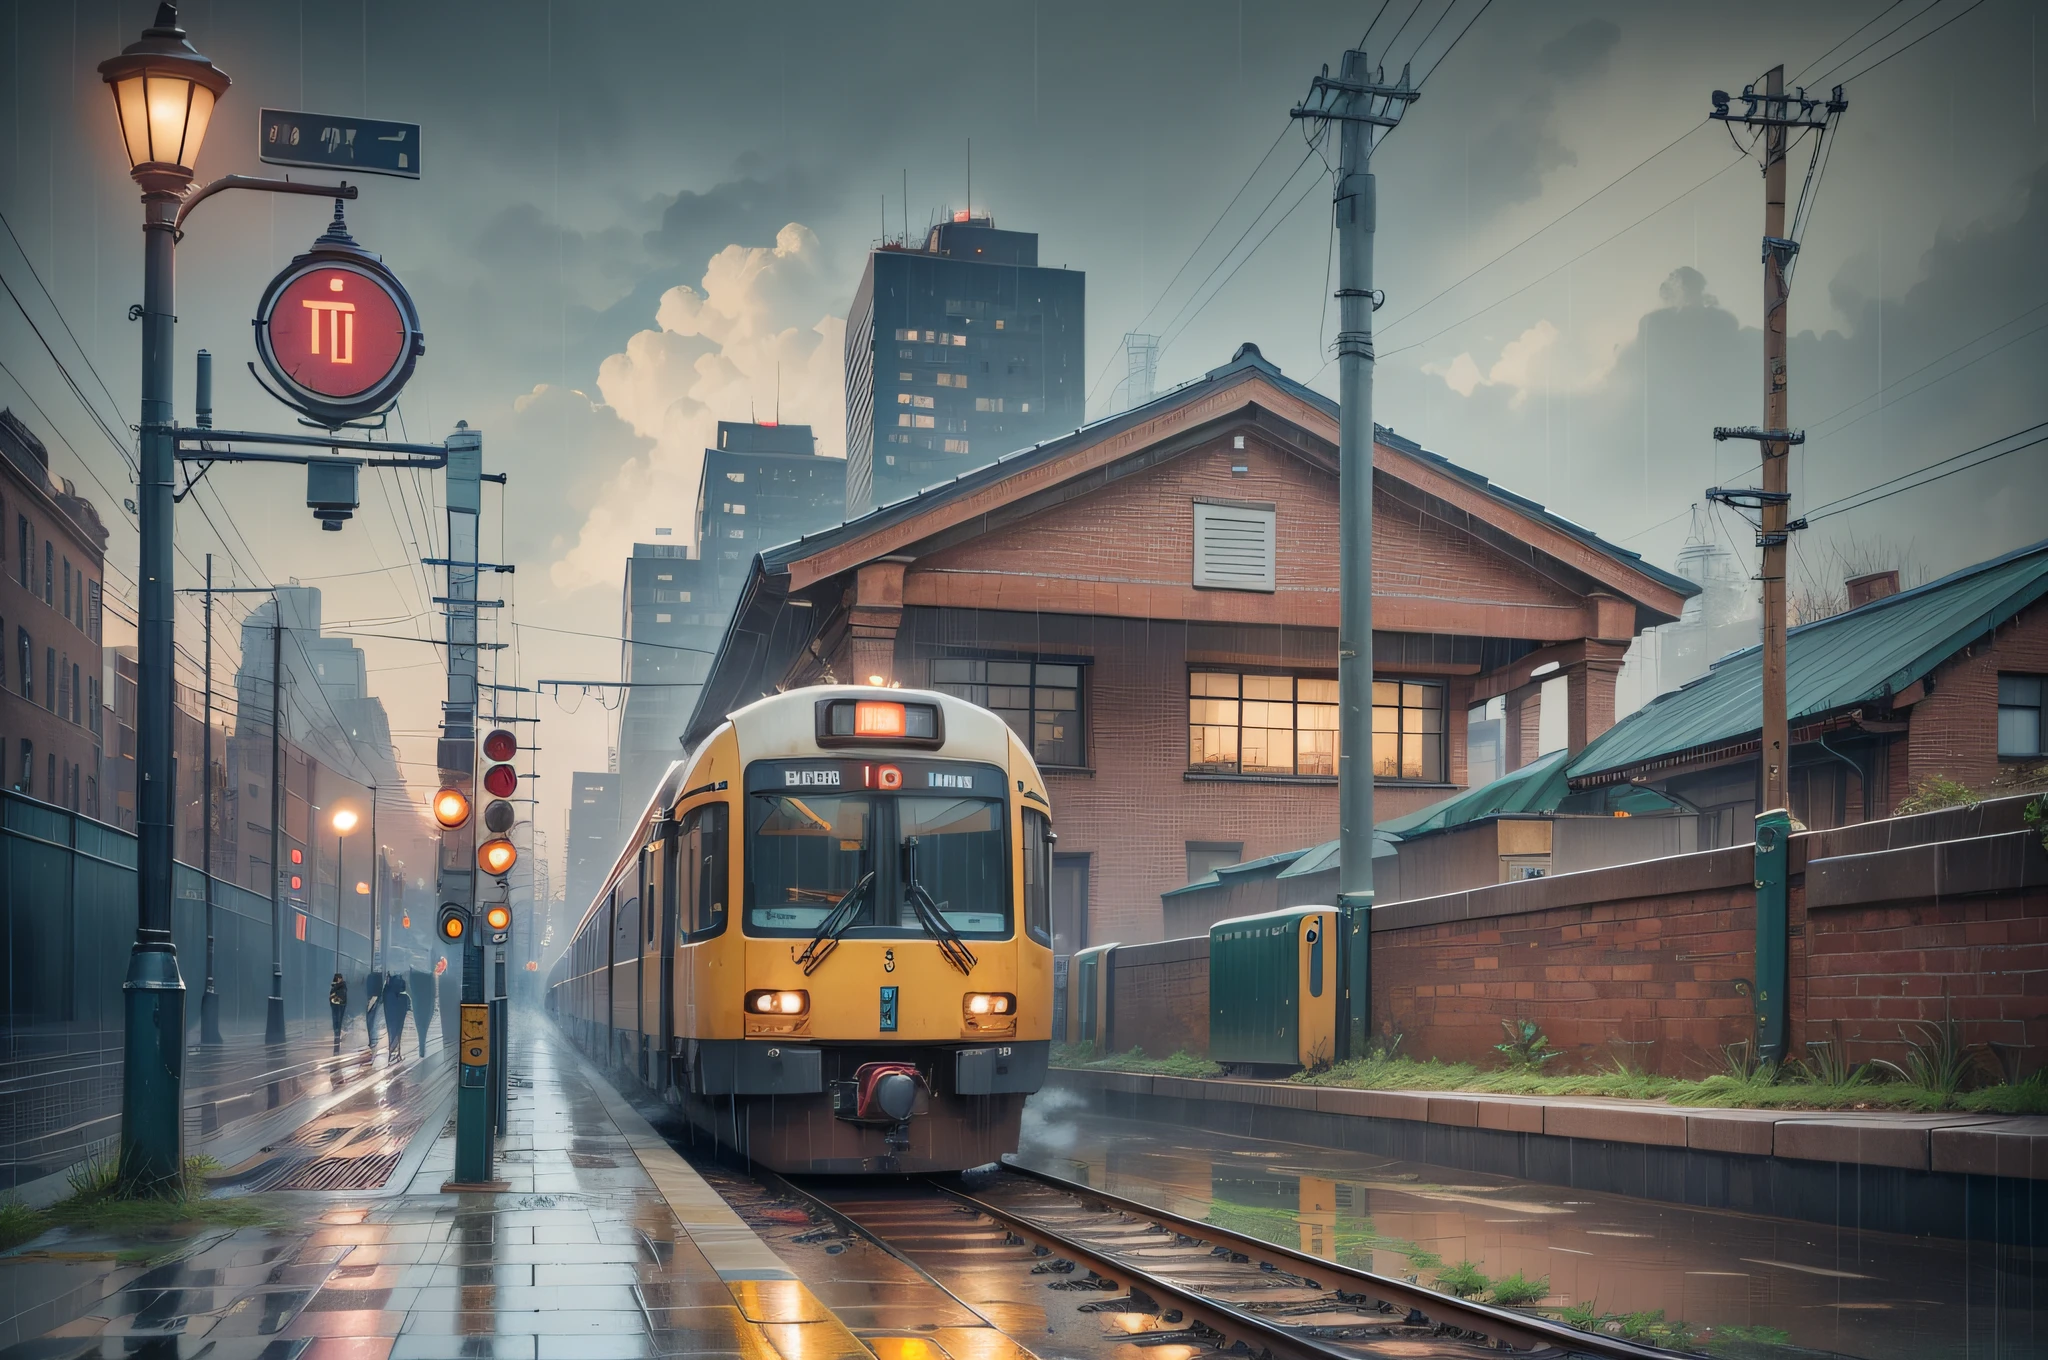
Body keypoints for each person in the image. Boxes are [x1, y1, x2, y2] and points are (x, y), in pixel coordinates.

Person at [409, 964, 437, 1057]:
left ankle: (422, 1049)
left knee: (421, 1025)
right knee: (422, 1025)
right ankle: (422, 1049)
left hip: (422, 996)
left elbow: (432, 993)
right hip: (423, 998)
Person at [382, 972, 410, 1053]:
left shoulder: (388, 990)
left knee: (392, 1028)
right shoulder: (402, 993)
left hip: (391, 1009)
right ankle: (396, 1049)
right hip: (398, 1008)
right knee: (398, 1028)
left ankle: (393, 1048)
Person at [364, 968, 384, 1048]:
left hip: (373, 997)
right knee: (373, 1020)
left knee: (372, 1019)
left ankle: (372, 1041)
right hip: (375, 996)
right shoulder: (376, 978)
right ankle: (372, 1041)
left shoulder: (370, 977)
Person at [327, 973, 348, 1047]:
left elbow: (342, 997)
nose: (339, 979)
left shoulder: (341, 986)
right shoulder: (335, 986)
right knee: (336, 1021)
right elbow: (331, 996)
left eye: (339, 978)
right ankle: (337, 1035)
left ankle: (337, 1035)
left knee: (338, 1021)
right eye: (337, 978)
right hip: (335, 1005)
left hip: (339, 1006)